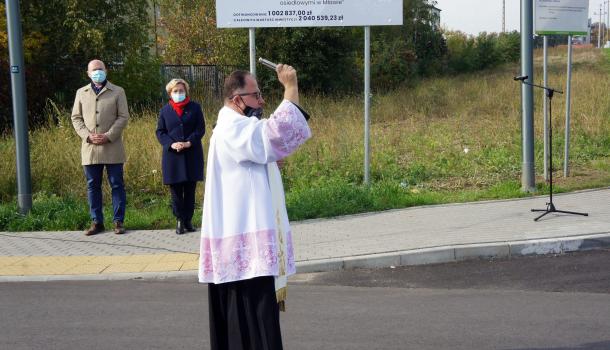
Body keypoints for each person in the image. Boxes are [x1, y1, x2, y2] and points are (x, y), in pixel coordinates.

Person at [199, 65, 311, 350]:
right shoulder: (232, 126)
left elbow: (263, 150)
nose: (262, 101)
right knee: (253, 325)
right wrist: (291, 87)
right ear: (237, 99)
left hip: (242, 246)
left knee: (247, 324)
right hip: (246, 247)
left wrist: (270, 161)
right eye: (256, 95)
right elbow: (274, 134)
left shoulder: (235, 127)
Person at [71, 59, 129, 236]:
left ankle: (118, 221)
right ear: (88, 73)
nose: (97, 72)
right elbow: (76, 118)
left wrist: (108, 135)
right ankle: (97, 222)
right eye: (94, 70)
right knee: (92, 186)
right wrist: (88, 136)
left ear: (106, 71)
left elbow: (123, 117)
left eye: (100, 69)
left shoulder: (118, 91)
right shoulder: (81, 92)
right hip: (90, 149)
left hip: (112, 147)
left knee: (117, 185)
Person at [156, 79, 205, 234]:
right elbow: (160, 132)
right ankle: (179, 220)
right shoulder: (164, 111)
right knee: (176, 190)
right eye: (175, 91)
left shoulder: (195, 108)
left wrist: (189, 142)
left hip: (192, 153)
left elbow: (200, 128)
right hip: (173, 156)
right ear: (170, 93)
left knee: (190, 189)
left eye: (181, 91)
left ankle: (188, 220)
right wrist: (171, 144)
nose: (179, 93)